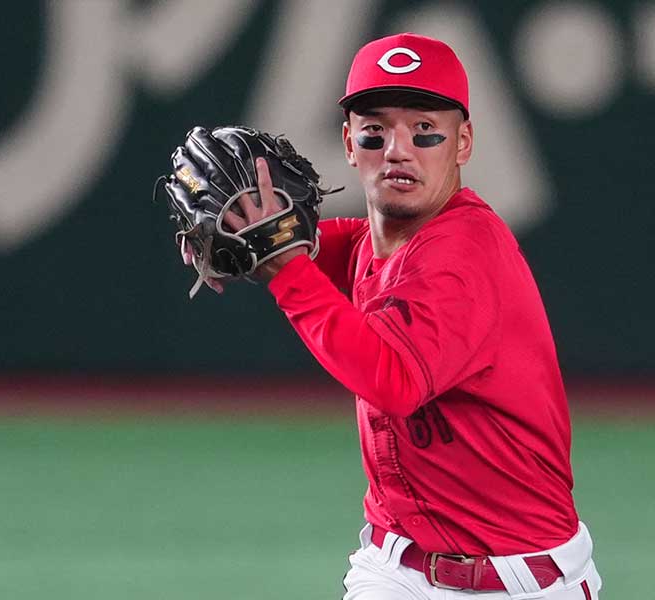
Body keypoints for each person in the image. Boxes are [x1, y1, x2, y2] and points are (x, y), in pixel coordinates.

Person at [216, 33, 603, 599]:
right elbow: (342, 248)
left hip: (518, 583)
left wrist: (285, 270)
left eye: (426, 131)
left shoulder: (463, 254)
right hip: (395, 568)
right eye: (376, 131)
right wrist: (250, 245)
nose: (399, 149)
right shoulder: (388, 239)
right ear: (348, 143)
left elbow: (391, 379)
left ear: (463, 142)